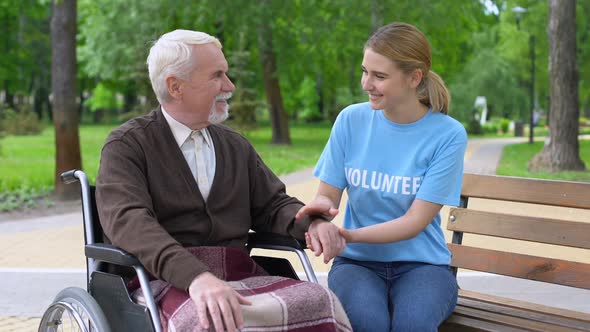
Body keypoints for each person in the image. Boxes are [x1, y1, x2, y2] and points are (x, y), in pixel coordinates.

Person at [96, 29, 350, 332]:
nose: (229, 86)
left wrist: (313, 223)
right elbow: (131, 224)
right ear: (175, 86)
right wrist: (196, 277)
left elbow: (272, 205)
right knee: (208, 319)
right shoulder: (128, 145)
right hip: (160, 279)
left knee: (320, 300)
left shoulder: (234, 146)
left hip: (237, 271)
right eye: (217, 76)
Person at [296, 22, 467, 331]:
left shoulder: (447, 135)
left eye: (379, 76)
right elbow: (328, 195)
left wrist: (348, 236)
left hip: (423, 266)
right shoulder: (351, 120)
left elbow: (415, 222)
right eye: (365, 71)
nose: (366, 83)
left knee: (412, 325)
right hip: (357, 264)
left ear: (414, 78)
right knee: (367, 323)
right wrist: (319, 216)